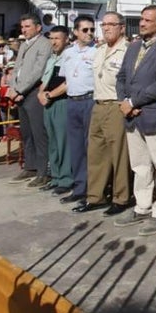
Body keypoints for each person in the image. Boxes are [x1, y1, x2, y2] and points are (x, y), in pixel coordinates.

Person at [115, 5, 156, 229]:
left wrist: (133, 102)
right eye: (141, 19)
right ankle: (142, 207)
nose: (142, 23)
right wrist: (125, 101)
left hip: (154, 114)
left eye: (148, 20)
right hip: (132, 116)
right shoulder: (134, 46)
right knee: (140, 165)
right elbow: (121, 77)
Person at [74, 11, 131, 214]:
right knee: (96, 153)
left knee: (119, 154)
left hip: (116, 104)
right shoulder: (100, 50)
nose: (106, 28)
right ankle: (95, 196)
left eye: (111, 24)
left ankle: (121, 197)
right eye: (104, 24)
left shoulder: (128, 50)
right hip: (98, 103)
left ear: (121, 27)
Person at [55, 16, 97, 202]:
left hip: (90, 100)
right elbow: (66, 79)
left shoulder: (97, 52)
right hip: (72, 101)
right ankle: (80, 188)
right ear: (76, 32)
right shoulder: (68, 53)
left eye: (92, 29)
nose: (89, 33)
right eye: (85, 30)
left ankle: (93, 189)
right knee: (76, 147)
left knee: (91, 147)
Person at [6, 13, 50, 185]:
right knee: (27, 132)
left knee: (39, 133)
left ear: (38, 27)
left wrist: (20, 89)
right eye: (22, 27)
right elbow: (17, 68)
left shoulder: (44, 44)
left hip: (33, 92)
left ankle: (43, 171)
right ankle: (30, 166)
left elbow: (38, 71)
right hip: (20, 93)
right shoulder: (24, 44)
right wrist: (12, 88)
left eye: (27, 26)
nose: (24, 30)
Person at [38, 25, 71, 193]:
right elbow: (45, 80)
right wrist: (41, 94)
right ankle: (56, 177)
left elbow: (68, 83)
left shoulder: (70, 56)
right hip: (48, 103)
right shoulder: (52, 58)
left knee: (63, 142)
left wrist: (50, 95)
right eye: (51, 38)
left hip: (62, 103)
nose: (53, 42)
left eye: (57, 38)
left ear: (66, 39)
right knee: (53, 142)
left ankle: (66, 179)